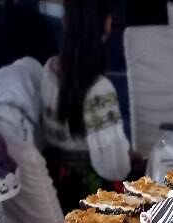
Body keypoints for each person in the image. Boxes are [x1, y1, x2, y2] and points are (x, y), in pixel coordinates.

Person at [41, 0, 131, 211]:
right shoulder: (99, 88)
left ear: (65, 22)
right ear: (107, 23)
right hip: (90, 196)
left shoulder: (49, 70)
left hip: (55, 185)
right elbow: (115, 168)